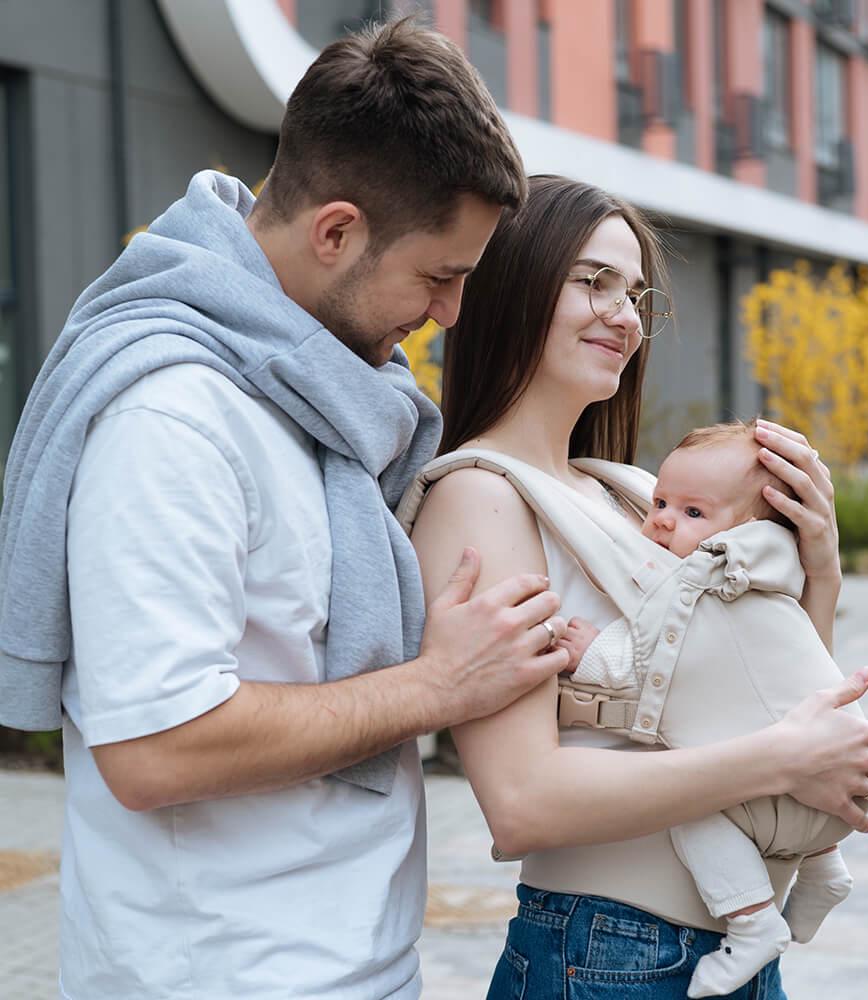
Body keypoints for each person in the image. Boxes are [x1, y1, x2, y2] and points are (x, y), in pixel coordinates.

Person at [0, 19, 575, 1000]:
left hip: (349, 965)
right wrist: (437, 686)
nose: (449, 314)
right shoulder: (174, 416)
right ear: (337, 231)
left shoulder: (324, 392)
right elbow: (152, 746)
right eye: (439, 276)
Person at [408, 175, 868, 999]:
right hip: (609, 954)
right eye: (592, 282)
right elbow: (523, 802)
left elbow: (758, 685)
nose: (624, 316)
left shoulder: (636, 494)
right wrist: (780, 760)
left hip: (725, 953)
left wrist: (821, 570)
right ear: (513, 282)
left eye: (634, 294)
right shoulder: (480, 495)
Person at [559, 419, 862, 997]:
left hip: (777, 792)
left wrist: (592, 654)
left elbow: (659, 654)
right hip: (829, 785)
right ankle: (825, 868)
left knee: (689, 803)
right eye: (662, 501)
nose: (665, 520)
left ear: (749, 527)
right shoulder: (779, 573)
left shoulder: (712, 572)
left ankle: (751, 925)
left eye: (694, 513)